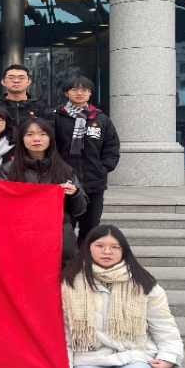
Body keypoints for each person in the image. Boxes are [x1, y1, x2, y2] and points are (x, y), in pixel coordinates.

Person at [62, 226, 183, 368]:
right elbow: (65, 330)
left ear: (123, 250)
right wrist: (65, 364)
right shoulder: (69, 283)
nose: (107, 251)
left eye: (114, 247)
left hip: (133, 351)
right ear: (88, 248)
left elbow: (164, 324)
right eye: (100, 245)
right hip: (90, 354)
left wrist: (169, 356)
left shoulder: (144, 282)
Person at [0, 117, 85, 263]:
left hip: (59, 239)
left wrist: (74, 194)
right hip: (22, 238)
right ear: (22, 139)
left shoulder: (65, 170)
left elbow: (79, 209)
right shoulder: (9, 169)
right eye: (30, 134)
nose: (36, 139)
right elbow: (0, 204)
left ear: (50, 138)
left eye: (42, 134)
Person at [54, 77, 121, 244]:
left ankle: (85, 258)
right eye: (75, 89)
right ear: (66, 93)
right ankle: (66, 259)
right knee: (64, 228)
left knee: (90, 228)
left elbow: (111, 147)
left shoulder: (100, 119)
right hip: (64, 182)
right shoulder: (56, 117)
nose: (80, 93)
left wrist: (103, 168)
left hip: (93, 182)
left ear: (90, 93)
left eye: (84, 90)